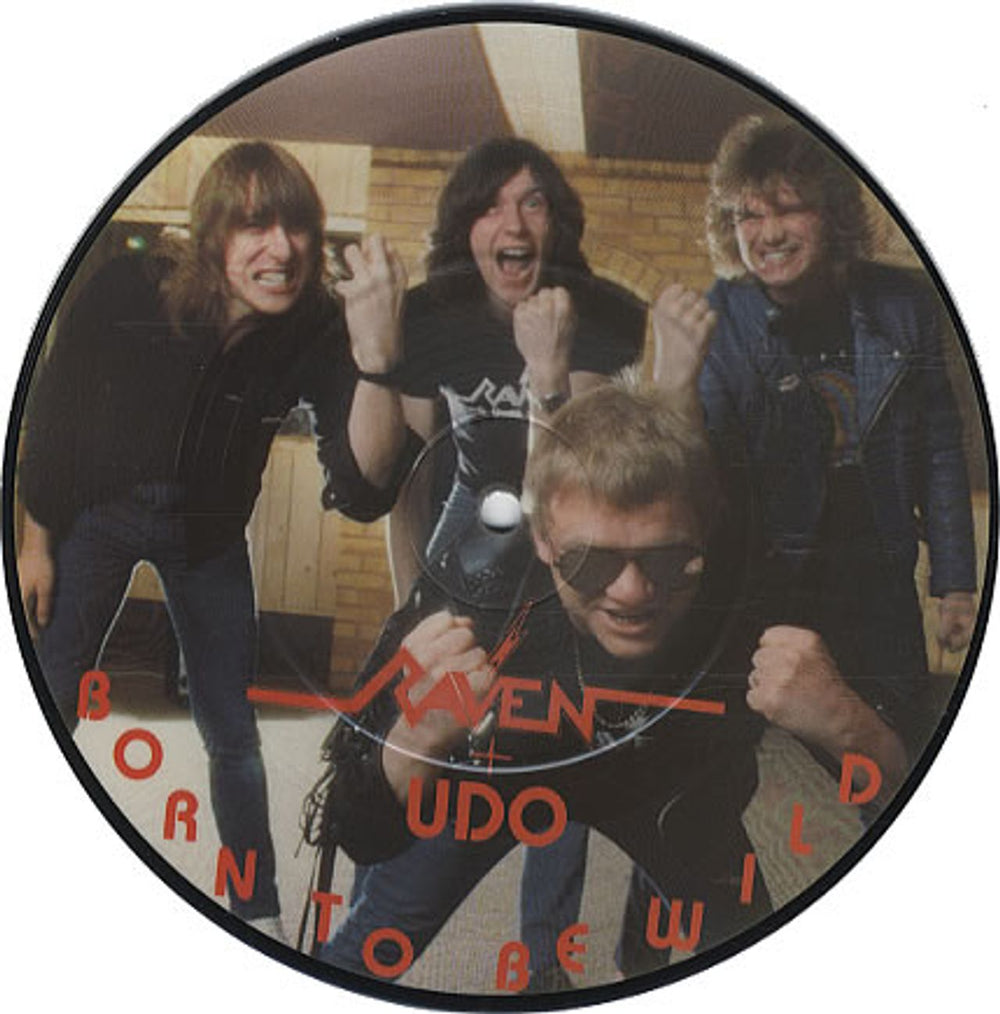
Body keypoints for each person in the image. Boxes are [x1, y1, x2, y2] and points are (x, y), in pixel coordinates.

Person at [16, 140, 409, 936]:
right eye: (255, 225)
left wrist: (379, 361)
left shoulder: (315, 327)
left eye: (297, 226)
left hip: (210, 536)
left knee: (232, 732)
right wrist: (33, 541)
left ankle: (256, 911)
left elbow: (363, 488)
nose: (282, 248)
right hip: (100, 512)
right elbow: (53, 408)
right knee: (48, 691)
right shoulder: (131, 285)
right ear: (212, 235)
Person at [343, 136, 647, 985]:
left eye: (533, 202)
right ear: (465, 228)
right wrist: (412, 598)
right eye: (489, 206)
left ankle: (545, 960)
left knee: (559, 756)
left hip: (559, 570)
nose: (511, 223)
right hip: (464, 550)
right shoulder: (435, 321)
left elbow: (576, 486)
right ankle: (367, 920)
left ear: (557, 225)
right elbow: (398, 475)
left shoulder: (596, 320)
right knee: (408, 741)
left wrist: (548, 371)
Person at [690, 113, 978, 761]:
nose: (768, 233)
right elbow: (706, 462)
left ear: (834, 215)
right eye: (748, 215)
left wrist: (956, 581)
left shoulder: (904, 305)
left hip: (879, 571)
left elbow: (939, 447)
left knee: (892, 746)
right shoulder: (721, 315)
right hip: (769, 578)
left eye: (789, 208)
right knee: (769, 760)